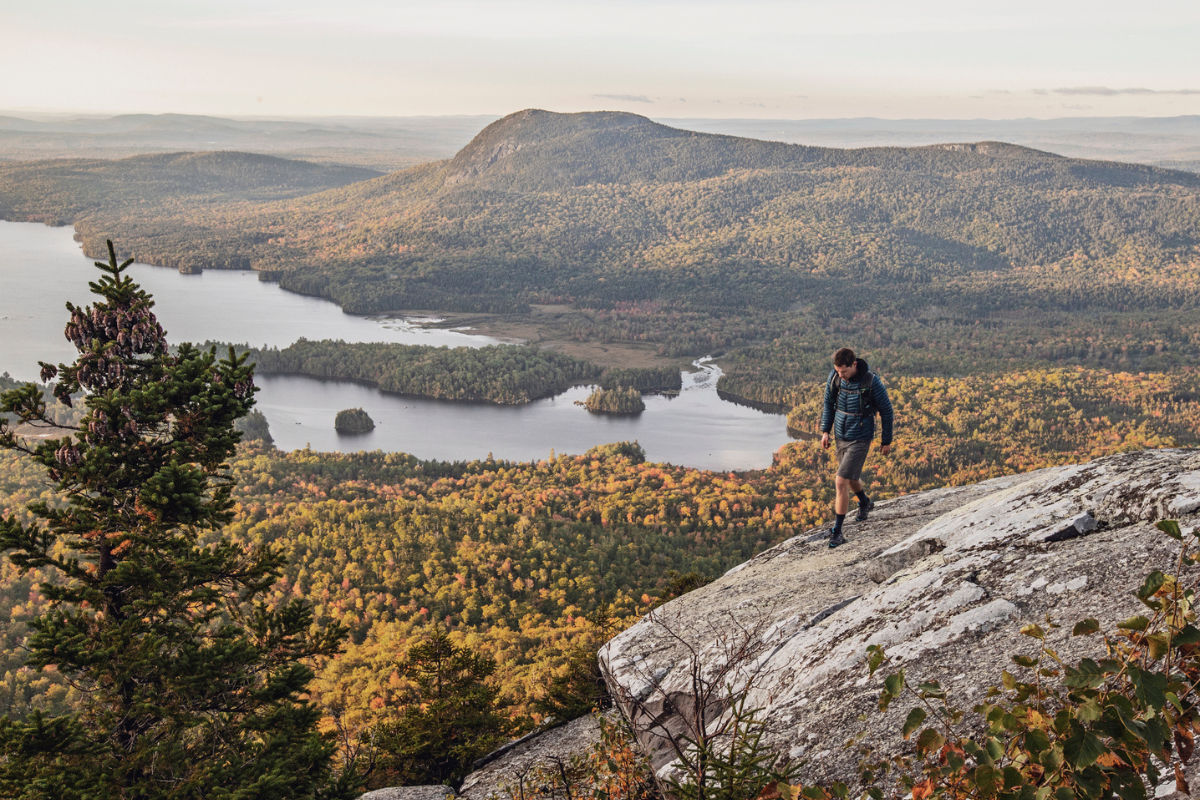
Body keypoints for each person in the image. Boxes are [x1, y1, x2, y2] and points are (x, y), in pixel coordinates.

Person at [819, 347, 894, 548]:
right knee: (851, 477)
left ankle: (837, 532)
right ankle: (864, 502)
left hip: (861, 437)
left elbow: (887, 411)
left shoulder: (871, 382)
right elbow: (828, 403)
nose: (840, 375)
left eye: (844, 371)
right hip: (840, 435)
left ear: (854, 364)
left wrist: (886, 441)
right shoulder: (835, 377)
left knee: (841, 481)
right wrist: (825, 430)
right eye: (837, 371)